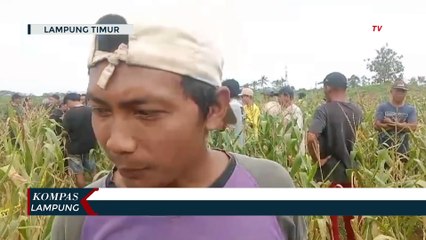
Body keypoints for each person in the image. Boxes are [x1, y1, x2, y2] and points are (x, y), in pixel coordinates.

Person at [52, 13, 306, 240]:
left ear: (215, 109)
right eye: (101, 110)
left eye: (146, 113)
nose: (116, 143)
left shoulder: (269, 187)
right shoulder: (79, 215)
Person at [307, 72, 363, 240]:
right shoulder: (357, 111)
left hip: (330, 172)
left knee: (330, 221)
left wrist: (317, 159)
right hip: (353, 172)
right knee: (352, 219)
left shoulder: (323, 109)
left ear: (328, 87)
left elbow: (311, 137)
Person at [374, 80, 417, 162]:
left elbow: (413, 127)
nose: (400, 93)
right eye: (397, 90)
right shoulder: (382, 107)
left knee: (401, 173)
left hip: (403, 151)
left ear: (406, 93)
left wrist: (391, 123)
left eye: (403, 91)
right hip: (383, 151)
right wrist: (402, 125)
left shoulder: (411, 109)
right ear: (391, 91)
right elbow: (377, 125)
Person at [62, 93, 97, 188]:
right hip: (89, 146)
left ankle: (83, 194)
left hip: (74, 149)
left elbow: (64, 131)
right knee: (93, 171)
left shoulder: (69, 114)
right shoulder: (91, 111)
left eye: (66, 103)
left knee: (78, 174)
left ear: (69, 101)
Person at [276, 86, 305, 155]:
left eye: (280, 96)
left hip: (292, 149)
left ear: (287, 97)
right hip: (284, 148)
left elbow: (297, 132)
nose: (278, 99)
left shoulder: (295, 111)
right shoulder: (282, 110)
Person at [222, 79, 245, 146]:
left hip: (233, 144)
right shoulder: (239, 105)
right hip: (240, 144)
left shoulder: (232, 106)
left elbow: (228, 129)